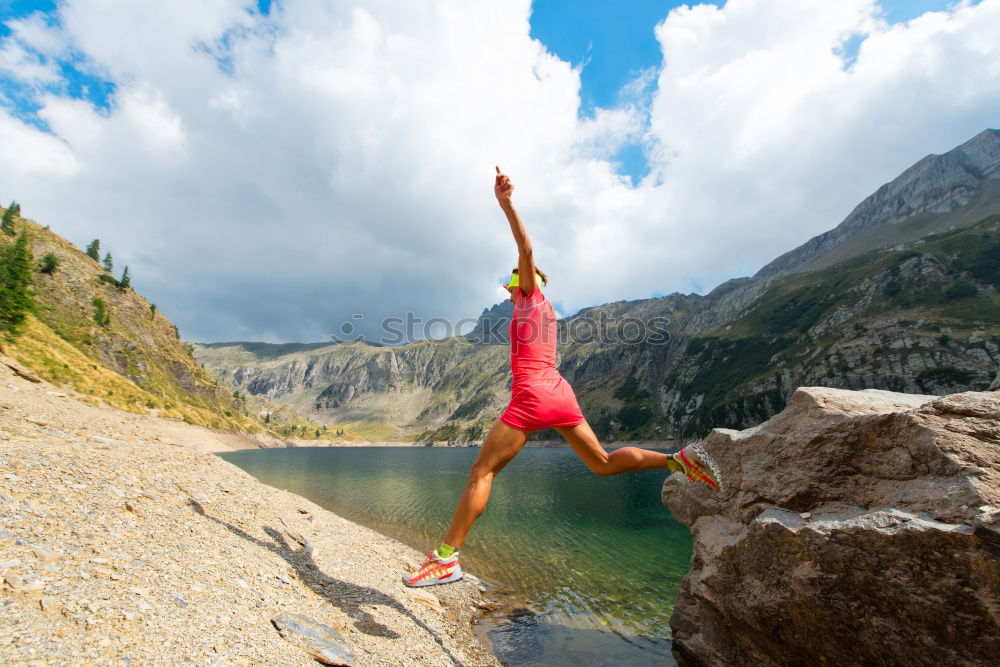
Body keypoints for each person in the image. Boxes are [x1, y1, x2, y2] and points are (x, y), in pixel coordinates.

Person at [402, 167, 720, 588]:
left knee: (481, 473)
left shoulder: (532, 297)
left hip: (533, 395)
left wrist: (506, 204)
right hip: (559, 393)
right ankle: (676, 460)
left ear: (526, 281)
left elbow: (527, 252)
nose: (509, 287)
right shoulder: (541, 312)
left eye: (513, 281)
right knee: (603, 464)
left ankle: (446, 558)